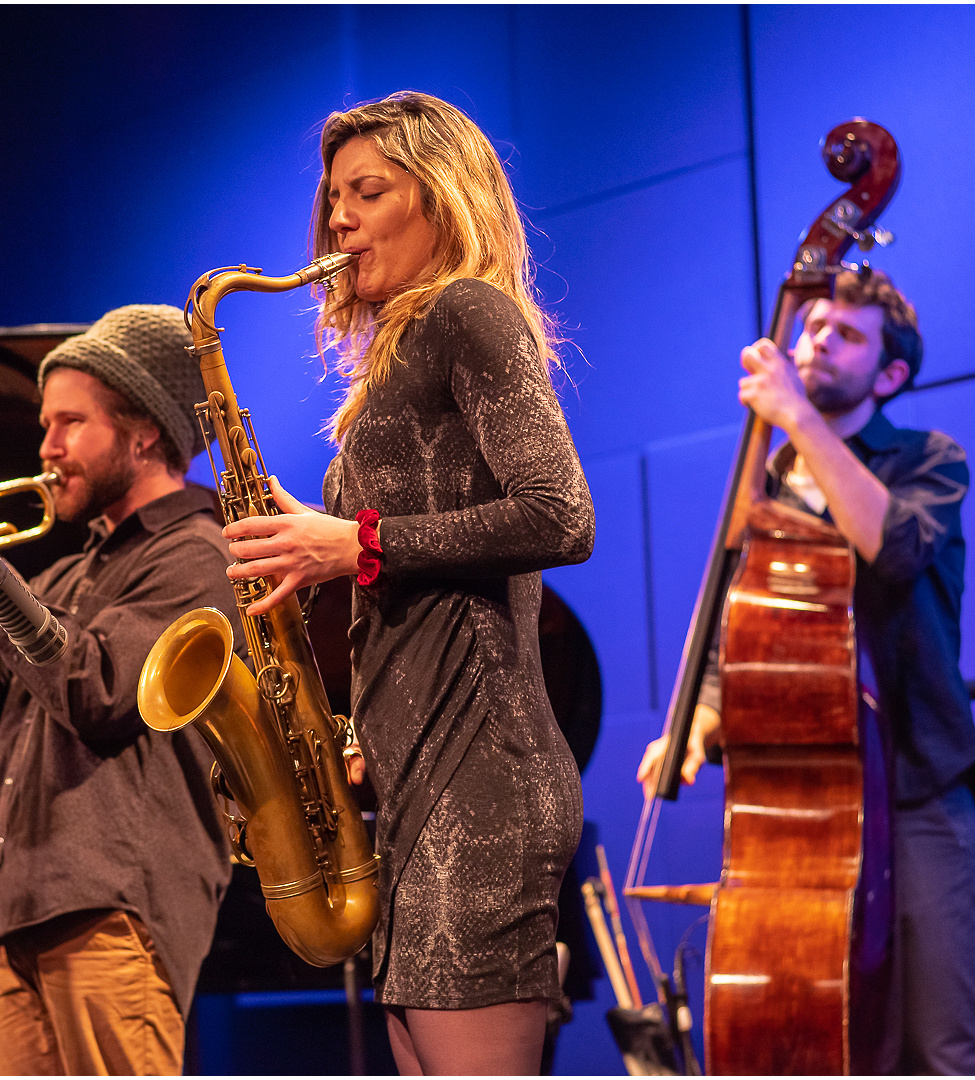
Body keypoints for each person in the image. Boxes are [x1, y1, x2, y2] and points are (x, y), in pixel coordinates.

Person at [222, 92, 595, 1075]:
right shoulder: (389, 363)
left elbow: (560, 513)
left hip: (486, 789)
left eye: (367, 191)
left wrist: (353, 545)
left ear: (440, 197)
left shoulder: (467, 313)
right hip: (425, 784)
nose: (336, 218)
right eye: (332, 195)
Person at [636, 268, 975, 1074]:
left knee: (941, 1045)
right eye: (815, 325)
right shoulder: (760, 482)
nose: (820, 340)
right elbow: (747, 633)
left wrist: (796, 415)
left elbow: (892, 551)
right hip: (801, 811)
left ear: (891, 374)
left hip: (917, 791)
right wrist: (699, 718)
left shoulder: (929, 461)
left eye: (847, 334)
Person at [0, 306, 237, 1076]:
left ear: (144, 432)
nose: (46, 449)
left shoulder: (197, 556)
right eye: (47, 425)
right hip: (21, 909)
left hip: (114, 909)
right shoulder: (69, 574)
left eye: (69, 424)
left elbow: (102, 694)